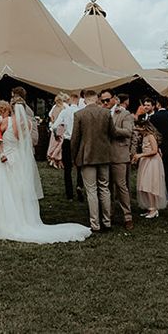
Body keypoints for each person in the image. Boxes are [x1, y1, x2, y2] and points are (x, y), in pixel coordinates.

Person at [0, 90, 90, 243]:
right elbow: (27, 143)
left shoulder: (5, 122)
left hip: (4, 157)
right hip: (19, 159)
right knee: (18, 189)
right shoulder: (28, 123)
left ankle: (5, 220)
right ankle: (23, 218)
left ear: (12, 107)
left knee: (3, 188)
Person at [71, 89, 112, 232]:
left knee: (91, 190)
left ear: (85, 100)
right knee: (105, 188)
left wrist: (74, 156)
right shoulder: (106, 113)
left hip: (86, 156)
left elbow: (75, 139)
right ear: (97, 99)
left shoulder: (79, 114)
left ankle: (95, 224)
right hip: (104, 155)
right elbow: (111, 132)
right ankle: (107, 221)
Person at [132, 119, 168, 219]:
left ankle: (153, 209)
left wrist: (140, 155)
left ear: (144, 127)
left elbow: (155, 150)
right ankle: (150, 207)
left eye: (138, 127)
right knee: (144, 185)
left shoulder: (151, 136)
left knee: (150, 185)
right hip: (146, 161)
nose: (137, 129)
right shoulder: (144, 136)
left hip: (152, 162)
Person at [50, 92, 82, 200]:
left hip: (68, 141)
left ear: (69, 100)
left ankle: (69, 194)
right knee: (80, 166)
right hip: (79, 141)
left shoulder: (64, 112)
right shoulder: (81, 111)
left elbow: (54, 126)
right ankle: (79, 185)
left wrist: (56, 135)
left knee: (67, 169)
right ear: (77, 100)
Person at [109, 93, 134, 229]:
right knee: (106, 188)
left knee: (121, 186)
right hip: (104, 155)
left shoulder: (125, 114)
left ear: (115, 99)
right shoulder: (102, 112)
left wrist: (112, 129)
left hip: (119, 154)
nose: (106, 102)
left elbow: (128, 132)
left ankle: (127, 216)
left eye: (108, 99)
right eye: (103, 100)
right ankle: (109, 215)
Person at [151, 97, 168, 200]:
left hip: (158, 147)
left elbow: (153, 134)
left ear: (158, 104)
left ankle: (159, 192)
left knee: (159, 172)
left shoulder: (154, 117)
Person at [46, 92, 67, 169]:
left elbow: (51, 116)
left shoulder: (54, 107)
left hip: (54, 127)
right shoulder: (63, 108)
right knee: (60, 143)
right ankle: (54, 157)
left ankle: (53, 158)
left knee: (54, 143)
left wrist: (53, 123)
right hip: (61, 127)